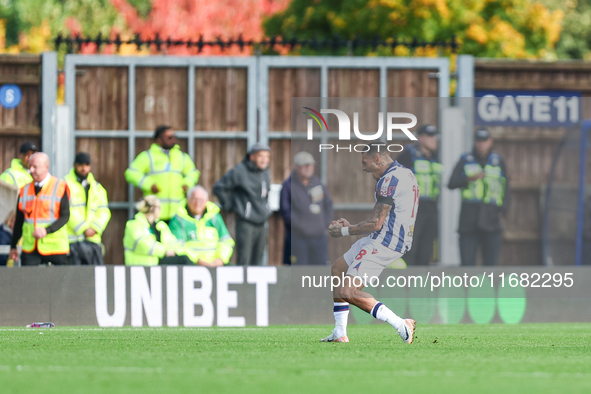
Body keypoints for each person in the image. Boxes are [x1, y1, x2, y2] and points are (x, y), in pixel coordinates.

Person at [323, 146, 418, 343]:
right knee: (338, 269)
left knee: (347, 291)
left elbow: (376, 223)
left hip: (386, 241)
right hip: (387, 237)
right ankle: (339, 332)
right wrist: (352, 226)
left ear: (377, 158)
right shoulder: (405, 173)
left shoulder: (388, 180)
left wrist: (343, 231)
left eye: (365, 163)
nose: (364, 169)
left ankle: (401, 324)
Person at [448, 129, 511, 266]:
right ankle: (467, 288)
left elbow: (506, 187)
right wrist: (469, 179)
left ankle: (488, 288)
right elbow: (451, 183)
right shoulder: (465, 159)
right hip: (469, 221)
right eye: (479, 141)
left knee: (491, 264)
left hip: (492, 219)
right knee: (467, 263)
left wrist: (503, 210)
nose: (481, 144)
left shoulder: (498, 161)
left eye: (484, 141)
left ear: (490, 142)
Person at [125, 125, 200, 222]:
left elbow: (193, 173)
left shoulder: (181, 156)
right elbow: (131, 173)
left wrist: (187, 184)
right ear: (159, 139)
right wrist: (149, 184)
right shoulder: (148, 156)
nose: (173, 139)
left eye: (174, 136)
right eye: (169, 137)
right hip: (155, 212)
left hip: (177, 213)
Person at [213, 142, 271, 266]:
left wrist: (266, 209)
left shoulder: (265, 171)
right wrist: (230, 207)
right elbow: (219, 188)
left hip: (262, 221)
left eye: (267, 156)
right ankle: (244, 286)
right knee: (244, 260)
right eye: (261, 156)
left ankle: (255, 285)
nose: (264, 160)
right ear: (252, 157)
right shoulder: (240, 171)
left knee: (258, 260)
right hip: (246, 222)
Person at [9, 152, 70, 266]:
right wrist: (13, 246)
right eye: (30, 166)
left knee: (59, 282)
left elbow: (65, 216)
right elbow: (19, 221)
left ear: (46, 167)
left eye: (35, 167)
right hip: (31, 249)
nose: (31, 170)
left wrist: (47, 230)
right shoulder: (24, 190)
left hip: (55, 248)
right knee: (30, 282)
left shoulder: (60, 186)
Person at [396, 124, 442, 266]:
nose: (434, 139)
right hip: (412, 207)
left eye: (435, 136)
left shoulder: (435, 157)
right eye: (429, 136)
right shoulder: (408, 155)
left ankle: (421, 283)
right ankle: (406, 283)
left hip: (431, 207)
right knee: (410, 247)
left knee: (426, 248)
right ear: (420, 138)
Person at [279, 151, 333, 266]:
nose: (308, 168)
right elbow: (285, 210)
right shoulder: (288, 186)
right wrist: (300, 226)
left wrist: (324, 223)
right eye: (305, 165)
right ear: (296, 167)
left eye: (311, 165)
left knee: (320, 270)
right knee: (299, 271)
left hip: (319, 238)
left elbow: (328, 203)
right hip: (298, 239)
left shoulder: (317, 183)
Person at [169, 186, 234, 267]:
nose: (197, 203)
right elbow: (177, 245)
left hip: (216, 264)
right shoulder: (178, 219)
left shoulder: (214, 216)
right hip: (190, 265)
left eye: (201, 200)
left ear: (207, 201)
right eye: (194, 199)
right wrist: (197, 260)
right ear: (187, 199)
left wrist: (220, 259)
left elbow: (226, 241)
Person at [64, 153, 111, 265]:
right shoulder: (65, 184)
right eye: (80, 165)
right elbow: (66, 210)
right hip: (72, 241)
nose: (84, 168)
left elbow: (104, 211)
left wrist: (94, 228)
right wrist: (84, 228)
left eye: (87, 165)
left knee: (94, 278)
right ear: (74, 165)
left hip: (92, 241)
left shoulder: (97, 188)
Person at [123, 196, 191, 266]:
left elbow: (171, 241)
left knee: (185, 259)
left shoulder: (160, 225)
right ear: (152, 208)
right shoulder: (134, 224)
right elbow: (142, 244)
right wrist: (164, 251)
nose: (161, 210)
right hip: (140, 267)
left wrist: (176, 250)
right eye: (159, 207)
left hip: (157, 265)